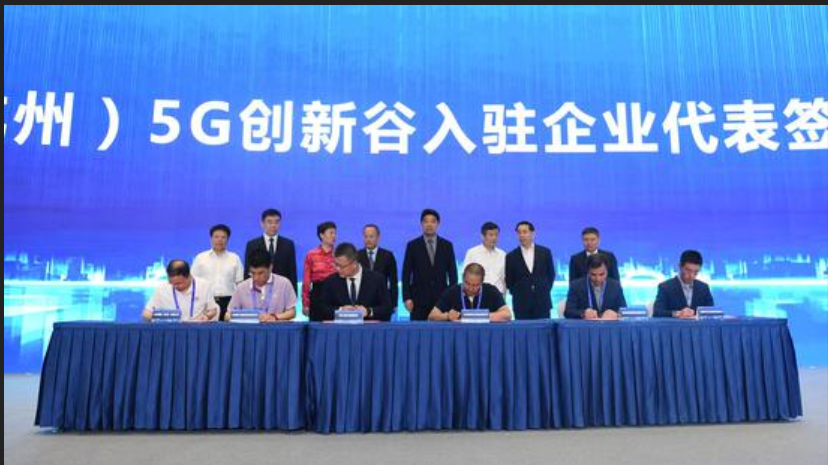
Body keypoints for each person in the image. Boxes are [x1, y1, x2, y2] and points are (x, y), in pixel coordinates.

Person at [402, 209, 458, 321]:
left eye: (433, 221)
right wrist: (407, 298)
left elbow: (453, 274)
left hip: (441, 300)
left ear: (438, 224)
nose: (429, 224)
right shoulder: (412, 245)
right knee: (418, 331)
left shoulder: (447, 245)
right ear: (421, 224)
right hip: (418, 300)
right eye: (426, 221)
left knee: (442, 331)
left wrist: (452, 297)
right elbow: (406, 273)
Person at [317, 243, 394, 322]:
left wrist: (368, 311)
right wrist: (340, 310)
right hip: (340, 328)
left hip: (369, 328)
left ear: (354, 264)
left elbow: (387, 308)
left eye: (341, 266)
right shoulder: (330, 281)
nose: (338, 269)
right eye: (336, 265)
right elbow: (322, 308)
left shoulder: (377, 280)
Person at [225, 250, 296, 322]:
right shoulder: (242, 287)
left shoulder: (284, 284)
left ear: (270, 268)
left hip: (276, 327)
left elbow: (292, 312)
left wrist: (274, 317)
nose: (256, 278)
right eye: (253, 273)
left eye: (260, 273)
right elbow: (227, 315)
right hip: (249, 328)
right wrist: (247, 317)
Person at [191, 224, 244, 321]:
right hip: (206, 302)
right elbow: (193, 281)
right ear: (211, 238)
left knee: (228, 328)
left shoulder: (235, 258)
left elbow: (240, 283)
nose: (220, 240)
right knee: (207, 329)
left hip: (229, 301)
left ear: (228, 239)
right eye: (216, 237)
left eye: (223, 237)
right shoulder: (200, 258)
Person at [505, 221, 556, 320]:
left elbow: (551, 275)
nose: (521, 235)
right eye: (519, 232)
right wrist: (521, 293)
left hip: (542, 302)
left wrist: (542, 290)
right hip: (521, 304)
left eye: (524, 232)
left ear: (532, 233)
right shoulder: (511, 256)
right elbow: (509, 281)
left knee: (544, 329)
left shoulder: (545, 252)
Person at [429, 263, 511, 322]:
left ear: (482, 282)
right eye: (467, 283)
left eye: (475, 285)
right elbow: (432, 316)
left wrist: (478, 317)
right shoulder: (452, 291)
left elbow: (507, 315)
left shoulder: (491, 291)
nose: (471, 288)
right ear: (462, 278)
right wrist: (447, 316)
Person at [142, 260, 219, 322]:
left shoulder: (204, 286)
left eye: (179, 283)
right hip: (172, 329)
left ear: (189, 276)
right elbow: (146, 313)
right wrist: (163, 317)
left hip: (197, 328)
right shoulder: (162, 289)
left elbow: (213, 310)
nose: (175, 286)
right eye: (171, 282)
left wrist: (206, 317)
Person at [244, 208, 297, 293]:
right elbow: (248, 271)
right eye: (269, 222)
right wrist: (247, 293)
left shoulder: (288, 245)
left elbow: (292, 272)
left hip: (281, 290)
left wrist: (293, 294)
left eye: (277, 222)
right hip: (259, 290)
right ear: (262, 224)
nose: (273, 225)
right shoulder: (252, 245)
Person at [653, 250, 714, 318]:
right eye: (688, 270)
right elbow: (657, 312)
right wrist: (677, 313)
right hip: (675, 325)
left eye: (696, 272)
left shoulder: (703, 288)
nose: (691, 276)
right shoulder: (665, 287)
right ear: (680, 267)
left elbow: (712, 312)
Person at [564, 253, 626, 320]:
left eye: (601, 274)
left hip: (609, 325)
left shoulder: (615, 286)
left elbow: (624, 311)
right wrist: (583, 313)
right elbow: (568, 312)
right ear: (588, 272)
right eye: (593, 274)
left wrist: (616, 314)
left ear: (607, 271)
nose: (597, 279)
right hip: (586, 325)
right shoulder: (576, 286)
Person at [357, 224, 399, 311]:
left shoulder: (388, 256)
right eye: (365, 236)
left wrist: (394, 303)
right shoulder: (357, 255)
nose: (368, 240)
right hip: (361, 304)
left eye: (371, 236)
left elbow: (393, 282)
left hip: (382, 302)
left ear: (378, 237)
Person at [301, 221, 338, 318]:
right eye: (331, 233)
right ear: (322, 235)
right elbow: (306, 281)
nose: (334, 236)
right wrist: (305, 303)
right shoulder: (311, 255)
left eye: (335, 233)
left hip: (335, 294)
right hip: (318, 293)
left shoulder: (339, 254)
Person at [462, 222, 507, 295]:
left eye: (496, 235)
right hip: (478, 295)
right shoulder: (472, 253)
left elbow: (504, 279)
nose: (494, 238)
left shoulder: (503, 254)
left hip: (498, 295)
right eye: (491, 235)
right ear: (483, 236)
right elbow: (466, 276)